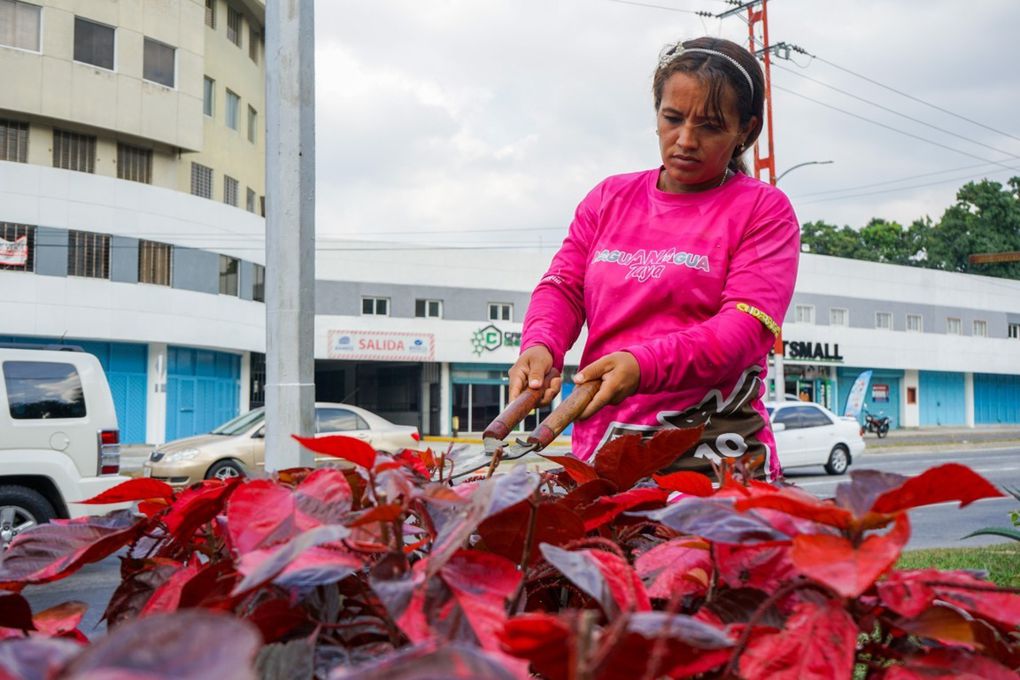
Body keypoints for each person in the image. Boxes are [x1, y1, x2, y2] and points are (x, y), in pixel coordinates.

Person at [508, 37, 800, 480]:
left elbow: (743, 331)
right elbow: (563, 287)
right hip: (606, 453)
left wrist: (642, 365)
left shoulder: (764, 211)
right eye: (673, 118)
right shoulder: (609, 198)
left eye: (710, 126)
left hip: (712, 453)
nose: (685, 140)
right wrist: (541, 344)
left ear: (746, 131)